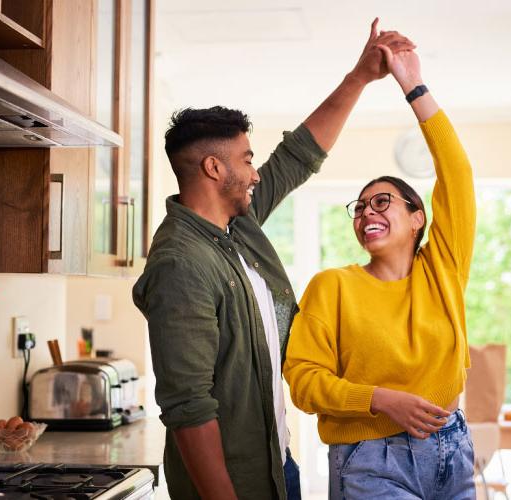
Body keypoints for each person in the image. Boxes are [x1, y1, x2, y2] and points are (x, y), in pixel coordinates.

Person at [132, 20, 415, 500]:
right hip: (234, 486)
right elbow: (188, 406)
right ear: (214, 168)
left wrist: (361, 76)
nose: (255, 172)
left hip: (276, 464)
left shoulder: (234, 227)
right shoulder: (181, 264)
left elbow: (298, 156)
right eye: (246, 159)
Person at [283, 38, 477, 500]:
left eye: (382, 201)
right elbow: (303, 381)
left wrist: (413, 86)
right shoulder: (332, 286)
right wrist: (379, 399)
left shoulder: (443, 271)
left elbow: (457, 174)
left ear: (417, 219)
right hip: (370, 457)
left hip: (452, 447)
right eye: (360, 206)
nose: (367, 211)